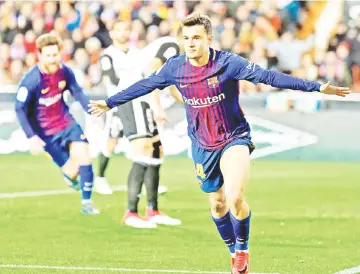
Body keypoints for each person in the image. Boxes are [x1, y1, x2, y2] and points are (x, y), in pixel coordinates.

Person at [89, 14, 350, 273]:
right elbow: (145, 85)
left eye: (196, 38)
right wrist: (109, 102)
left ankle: (242, 251)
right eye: (186, 38)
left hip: (234, 138)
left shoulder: (228, 63)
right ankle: (232, 250)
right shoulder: (175, 67)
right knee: (217, 203)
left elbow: (269, 77)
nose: (190, 43)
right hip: (202, 145)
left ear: (208, 40)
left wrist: (316, 87)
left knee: (235, 197)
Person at [96, 20, 182, 228]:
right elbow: (150, 76)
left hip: (142, 97)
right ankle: (131, 212)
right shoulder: (172, 46)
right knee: (143, 149)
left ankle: (153, 210)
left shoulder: (179, 53)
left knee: (156, 150)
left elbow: (169, 84)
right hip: (133, 96)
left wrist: (192, 103)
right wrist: (157, 107)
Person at [15, 32, 99, 215]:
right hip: (45, 132)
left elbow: (77, 92)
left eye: (55, 54)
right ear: (40, 55)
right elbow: (19, 109)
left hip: (66, 123)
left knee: (84, 156)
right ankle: (70, 176)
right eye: (48, 55)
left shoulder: (65, 72)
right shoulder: (31, 80)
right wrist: (31, 137)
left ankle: (87, 203)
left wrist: (91, 111)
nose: (53, 59)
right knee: (72, 171)